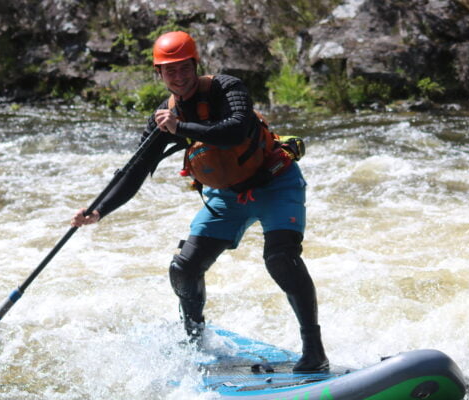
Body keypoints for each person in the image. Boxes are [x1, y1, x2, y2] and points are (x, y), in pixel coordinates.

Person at [71, 31, 329, 372]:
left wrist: (181, 127)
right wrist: (98, 209)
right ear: (158, 75)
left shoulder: (227, 88)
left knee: (280, 258)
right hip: (227, 196)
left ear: (195, 65)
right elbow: (135, 170)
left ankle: (314, 352)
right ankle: (194, 343)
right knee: (184, 268)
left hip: (276, 182)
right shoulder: (164, 116)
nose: (178, 76)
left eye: (183, 68)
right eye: (169, 71)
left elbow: (236, 130)